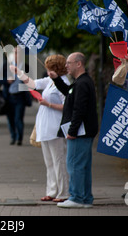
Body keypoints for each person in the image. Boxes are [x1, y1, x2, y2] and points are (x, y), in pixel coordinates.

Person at [11, 54, 70, 203]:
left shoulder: (63, 82)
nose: (47, 69)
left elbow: (68, 105)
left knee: (59, 160)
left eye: (49, 66)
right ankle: (52, 190)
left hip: (55, 126)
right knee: (49, 162)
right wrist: (19, 72)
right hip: (45, 126)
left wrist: (48, 104)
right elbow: (32, 84)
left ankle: (64, 192)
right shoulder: (50, 81)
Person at [47, 52, 98, 209]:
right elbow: (69, 93)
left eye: (69, 63)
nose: (66, 66)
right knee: (82, 165)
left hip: (80, 133)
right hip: (83, 132)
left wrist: (72, 131)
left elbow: (79, 109)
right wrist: (56, 79)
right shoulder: (80, 82)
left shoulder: (82, 84)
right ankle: (85, 198)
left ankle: (77, 197)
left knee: (74, 164)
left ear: (79, 64)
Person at [0, 46, 31, 145]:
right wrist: (7, 81)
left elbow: (31, 81)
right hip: (8, 97)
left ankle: (19, 138)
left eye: (19, 52)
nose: (17, 54)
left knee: (18, 118)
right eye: (15, 52)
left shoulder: (25, 67)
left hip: (20, 96)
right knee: (10, 118)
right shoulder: (7, 65)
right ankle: (13, 136)